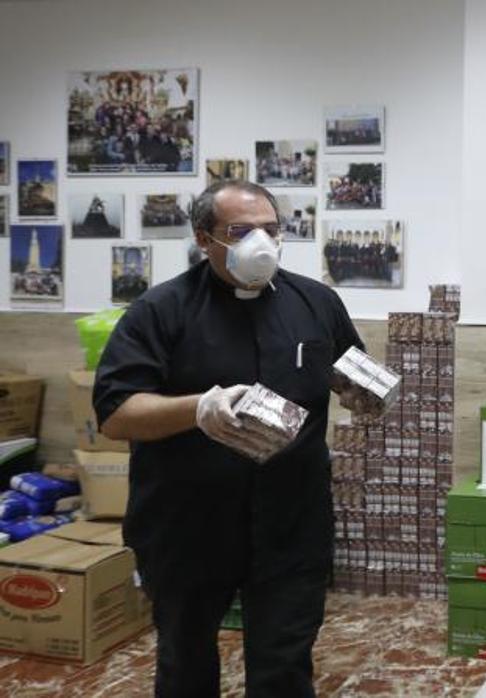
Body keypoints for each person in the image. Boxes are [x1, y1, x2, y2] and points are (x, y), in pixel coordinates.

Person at [94, 181, 379, 696]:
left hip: (292, 526)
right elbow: (115, 412)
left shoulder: (316, 303)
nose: (261, 243)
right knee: (185, 663)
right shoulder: (160, 310)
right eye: (241, 232)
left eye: (271, 230)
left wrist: (367, 395)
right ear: (205, 239)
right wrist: (197, 409)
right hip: (187, 527)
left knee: (285, 664)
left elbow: (349, 372)